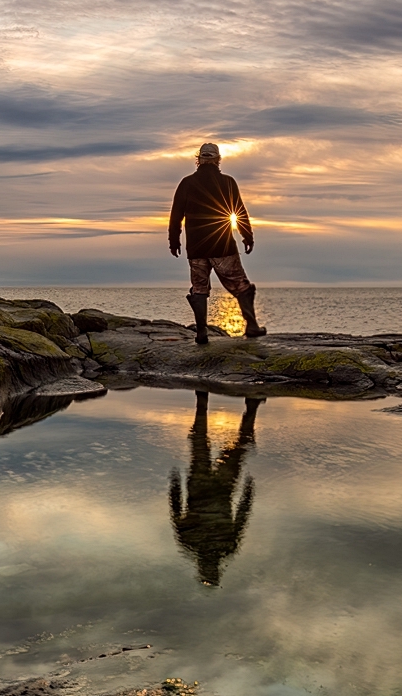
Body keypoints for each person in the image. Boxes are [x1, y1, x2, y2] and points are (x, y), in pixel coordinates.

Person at [168, 142, 266, 343]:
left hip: (196, 247)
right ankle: (253, 326)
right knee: (240, 285)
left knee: (199, 288)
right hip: (222, 245)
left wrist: (174, 241)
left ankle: (202, 333)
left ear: (199, 159)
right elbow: (239, 212)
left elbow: (176, 215)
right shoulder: (228, 182)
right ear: (217, 160)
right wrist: (247, 236)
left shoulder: (187, 183)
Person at [169, 391, 263, 585]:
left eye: (206, 570)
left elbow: (176, 511)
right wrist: (248, 494)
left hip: (203, 486)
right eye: (212, 570)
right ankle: (248, 405)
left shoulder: (192, 543)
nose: (209, 566)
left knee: (204, 443)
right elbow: (241, 517)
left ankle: (205, 398)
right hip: (219, 488)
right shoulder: (223, 546)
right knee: (228, 447)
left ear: (200, 568)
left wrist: (175, 485)